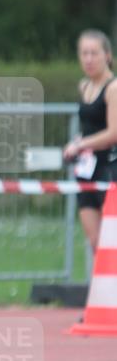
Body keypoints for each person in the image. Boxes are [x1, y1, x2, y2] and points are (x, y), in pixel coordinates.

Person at [63, 29, 117, 252]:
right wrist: (77, 142)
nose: (88, 59)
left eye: (94, 53)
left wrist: (81, 144)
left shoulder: (113, 88)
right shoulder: (84, 86)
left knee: (111, 241)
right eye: (84, 53)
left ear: (107, 55)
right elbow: (90, 128)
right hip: (87, 169)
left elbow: (113, 133)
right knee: (95, 242)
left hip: (110, 168)